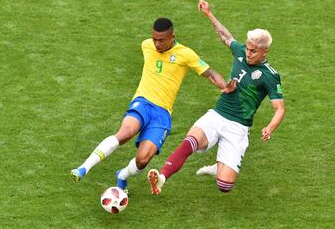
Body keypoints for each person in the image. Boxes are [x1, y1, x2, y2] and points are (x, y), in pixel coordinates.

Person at [70, 18, 237, 193]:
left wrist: (225, 86)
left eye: (161, 40)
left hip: (162, 114)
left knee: (143, 159)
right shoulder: (146, 45)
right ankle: (83, 168)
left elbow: (209, 74)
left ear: (172, 36)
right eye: (154, 39)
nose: (156, 44)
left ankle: (122, 176)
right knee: (125, 132)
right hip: (143, 102)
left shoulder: (185, 54)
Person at [148, 0, 285, 194]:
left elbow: (280, 108)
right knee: (190, 141)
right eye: (247, 48)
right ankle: (162, 178)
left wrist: (269, 128)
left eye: (253, 51)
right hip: (218, 114)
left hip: (238, 126)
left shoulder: (270, 75)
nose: (248, 53)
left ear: (265, 51)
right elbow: (225, 36)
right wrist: (209, 14)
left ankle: (218, 167)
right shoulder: (240, 52)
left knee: (225, 186)